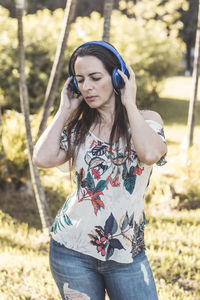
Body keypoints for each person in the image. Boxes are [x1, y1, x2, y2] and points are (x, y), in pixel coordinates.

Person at [33, 41, 167, 300]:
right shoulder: (79, 128)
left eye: (95, 78)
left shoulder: (147, 120)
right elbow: (41, 158)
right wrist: (64, 110)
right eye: (80, 80)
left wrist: (129, 102)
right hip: (71, 249)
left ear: (118, 79)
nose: (86, 87)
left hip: (126, 253)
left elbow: (150, 154)